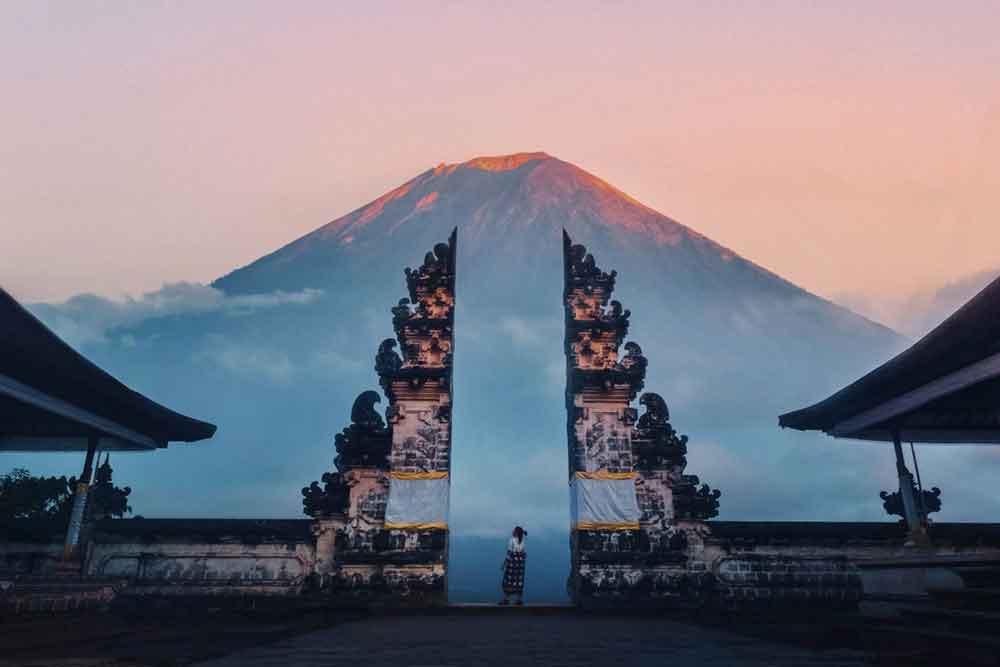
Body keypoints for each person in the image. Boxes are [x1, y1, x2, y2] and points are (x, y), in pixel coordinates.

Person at [499, 526, 527, 605]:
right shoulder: (522, 541)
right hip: (520, 564)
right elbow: (524, 553)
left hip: (512, 563)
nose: (512, 531)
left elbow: (509, 553)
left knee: (508, 580)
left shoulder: (512, 541)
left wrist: (504, 564)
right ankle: (519, 600)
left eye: (513, 530)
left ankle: (506, 599)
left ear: (516, 532)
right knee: (518, 581)